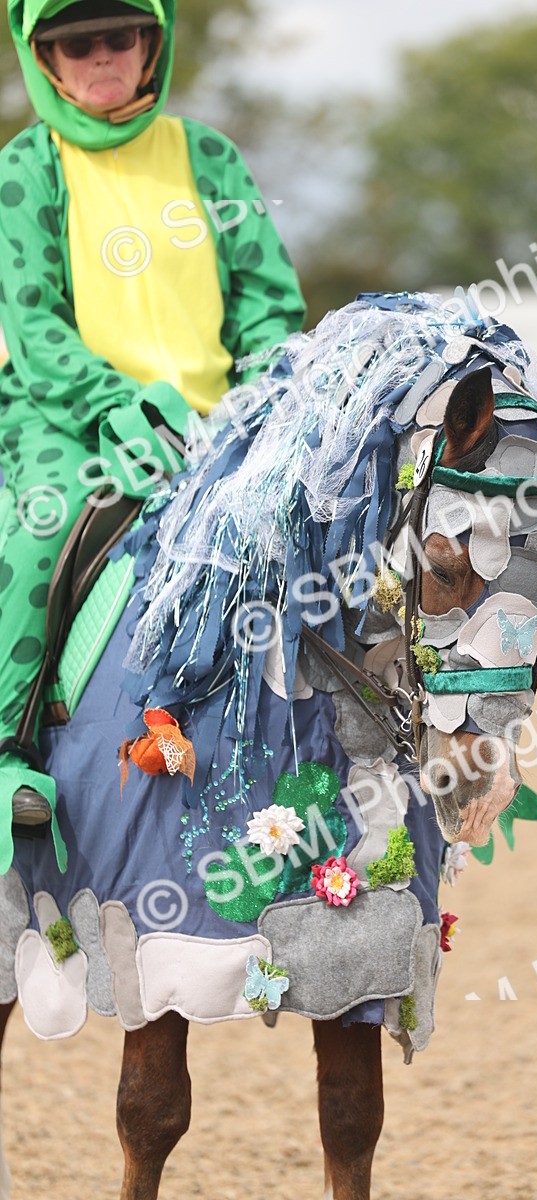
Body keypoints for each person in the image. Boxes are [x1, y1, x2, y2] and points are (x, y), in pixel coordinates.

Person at [0, 0, 306, 836]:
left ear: (152, 44)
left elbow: (267, 303)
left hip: (217, 421)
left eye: (119, 37)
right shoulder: (25, 170)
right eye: (75, 42)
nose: (101, 55)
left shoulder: (208, 156)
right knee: (42, 528)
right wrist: (117, 404)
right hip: (69, 417)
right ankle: (6, 754)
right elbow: (36, 332)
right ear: (44, 58)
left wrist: (261, 399)